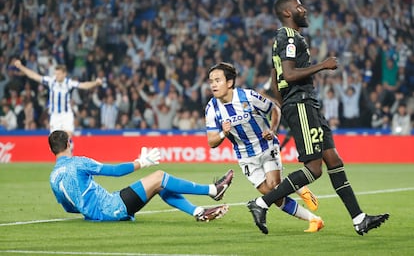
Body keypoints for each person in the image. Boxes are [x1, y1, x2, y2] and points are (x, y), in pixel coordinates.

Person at [246, 0, 389, 235]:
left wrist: (283, 108)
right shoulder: (288, 37)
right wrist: (322, 65)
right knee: (314, 168)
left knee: (333, 160)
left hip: (304, 104)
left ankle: (359, 218)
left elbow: (275, 76)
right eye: (299, 6)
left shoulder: (285, 39)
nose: (304, 9)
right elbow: (288, 75)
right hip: (301, 103)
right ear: (288, 13)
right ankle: (261, 203)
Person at [205, 62, 323, 233]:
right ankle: (314, 218)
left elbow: (274, 109)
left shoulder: (248, 96)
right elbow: (211, 142)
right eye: (211, 81)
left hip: (266, 146)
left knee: (274, 185)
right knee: (273, 195)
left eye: (217, 80)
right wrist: (223, 133)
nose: (213, 85)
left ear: (229, 83)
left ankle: (296, 187)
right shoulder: (211, 109)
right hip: (245, 156)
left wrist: (272, 130)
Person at [48, 130, 233, 222]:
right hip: (112, 207)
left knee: (159, 186)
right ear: (68, 143)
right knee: (159, 176)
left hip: (101, 212)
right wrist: (142, 162)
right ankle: (212, 190)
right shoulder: (78, 163)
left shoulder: (54, 177)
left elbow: (68, 207)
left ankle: (198, 212)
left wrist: (89, 210)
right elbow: (115, 171)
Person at [13, 59, 102, 149]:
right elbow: (34, 76)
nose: (56, 76)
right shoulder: (51, 81)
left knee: (68, 136)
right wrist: (21, 67)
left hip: (66, 114)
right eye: (56, 73)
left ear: (64, 74)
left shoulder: (69, 83)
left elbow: (83, 85)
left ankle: (69, 155)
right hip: (55, 115)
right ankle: (61, 160)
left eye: (58, 74)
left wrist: (95, 83)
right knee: (55, 142)